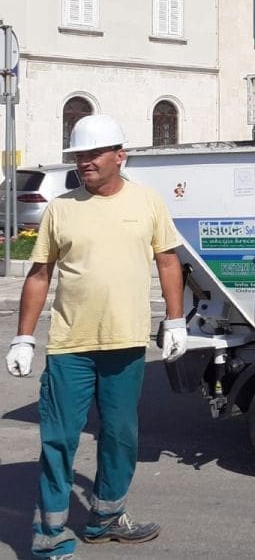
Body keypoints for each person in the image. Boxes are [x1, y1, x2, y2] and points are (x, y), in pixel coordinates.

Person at [5, 114, 189, 558]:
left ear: (119, 156)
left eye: (93, 153)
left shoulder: (147, 202)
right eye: (78, 155)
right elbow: (40, 273)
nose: (84, 161)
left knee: (121, 436)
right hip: (71, 345)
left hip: (125, 344)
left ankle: (106, 518)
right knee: (59, 438)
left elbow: (168, 261)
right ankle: (50, 533)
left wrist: (176, 320)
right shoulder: (61, 208)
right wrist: (23, 338)